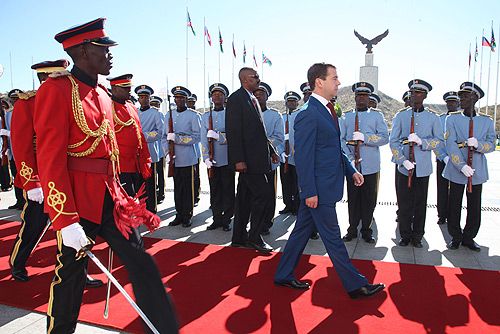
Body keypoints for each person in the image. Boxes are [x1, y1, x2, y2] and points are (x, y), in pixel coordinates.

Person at [33, 18, 178, 333]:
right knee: (71, 274)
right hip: (77, 200)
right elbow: (50, 158)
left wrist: (123, 194)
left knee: (141, 261)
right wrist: (64, 218)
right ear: (84, 50)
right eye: (104, 48)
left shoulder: (102, 92)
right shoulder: (56, 90)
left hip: (111, 198)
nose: (111, 54)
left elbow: (109, 149)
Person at [274, 63, 385, 298]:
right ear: (319, 82)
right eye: (334, 78)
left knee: (300, 232)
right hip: (319, 190)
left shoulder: (328, 109)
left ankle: (283, 274)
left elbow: (334, 148)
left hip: (325, 185)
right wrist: (310, 191)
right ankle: (356, 285)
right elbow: (303, 157)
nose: (339, 82)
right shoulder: (307, 113)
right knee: (333, 239)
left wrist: (351, 170)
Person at [226, 67, 279, 254]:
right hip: (248, 161)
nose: (258, 78)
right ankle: (255, 238)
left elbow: (260, 131)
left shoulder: (252, 99)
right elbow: (233, 132)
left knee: (244, 199)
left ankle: (239, 238)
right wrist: (238, 160)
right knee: (263, 196)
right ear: (244, 80)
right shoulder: (236, 99)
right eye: (254, 76)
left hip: (257, 159)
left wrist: (271, 150)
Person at [389, 79, 444, 248]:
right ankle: (405, 234)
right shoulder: (401, 115)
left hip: (422, 168)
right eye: (412, 92)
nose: (415, 95)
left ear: (425, 95)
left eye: (419, 92)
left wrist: (422, 142)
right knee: (404, 202)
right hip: (404, 167)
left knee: (420, 203)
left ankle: (418, 235)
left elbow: (439, 141)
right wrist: (402, 160)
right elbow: (394, 141)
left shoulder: (432, 117)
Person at [443, 82, 495, 251]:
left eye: (465, 96)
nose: (461, 99)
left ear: (475, 98)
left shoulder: (486, 121)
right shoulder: (452, 119)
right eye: (461, 95)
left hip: (477, 169)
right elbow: (450, 144)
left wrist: (478, 145)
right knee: (454, 204)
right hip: (458, 169)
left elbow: (491, 145)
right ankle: (455, 236)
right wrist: (461, 165)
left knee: (474, 206)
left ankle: (469, 237)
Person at [108, 73, 153, 248]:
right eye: (125, 89)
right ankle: (131, 241)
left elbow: (139, 134)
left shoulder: (131, 106)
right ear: (114, 89)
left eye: (129, 88)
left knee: (134, 201)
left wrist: (145, 158)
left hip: (134, 164)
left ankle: (132, 238)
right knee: (125, 206)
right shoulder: (108, 107)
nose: (129, 92)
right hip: (120, 166)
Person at [341, 82, 389, 243]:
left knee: (369, 199)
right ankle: (352, 228)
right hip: (352, 165)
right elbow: (341, 139)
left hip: (370, 165)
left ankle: (366, 229)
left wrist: (366, 138)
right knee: (353, 199)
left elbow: (384, 137)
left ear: (369, 98)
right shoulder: (346, 116)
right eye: (358, 96)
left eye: (364, 96)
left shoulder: (377, 116)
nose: (361, 98)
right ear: (354, 97)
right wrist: (348, 156)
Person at [166, 86, 201, 227]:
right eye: (176, 98)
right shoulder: (168, 115)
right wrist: (167, 152)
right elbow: (164, 137)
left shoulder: (193, 116)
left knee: (187, 188)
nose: (178, 100)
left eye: (181, 98)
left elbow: (197, 137)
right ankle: (179, 213)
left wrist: (178, 139)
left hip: (187, 158)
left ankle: (187, 215)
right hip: (174, 158)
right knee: (177, 187)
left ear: (186, 99)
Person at [201, 83, 234, 231]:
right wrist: (206, 157)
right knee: (214, 190)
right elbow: (203, 139)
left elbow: (234, 136)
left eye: (220, 94)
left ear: (225, 97)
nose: (217, 97)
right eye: (214, 95)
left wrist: (219, 136)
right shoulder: (205, 116)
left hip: (227, 159)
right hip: (212, 161)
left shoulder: (231, 114)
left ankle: (227, 219)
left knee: (227, 190)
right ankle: (216, 218)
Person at [254, 82, 284, 235]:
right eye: (256, 94)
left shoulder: (275, 115)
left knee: (268, 194)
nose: (258, 96)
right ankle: (254, 222)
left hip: (268, 160)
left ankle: (266, 222)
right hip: (252, 162)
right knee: (254, 194)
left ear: (267, 97)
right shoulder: (248, 113)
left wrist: (261, 144)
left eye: (261, 94)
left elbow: (278, 137)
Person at [135, 84, 164, 213]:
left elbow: (160, 132)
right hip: (137, 153)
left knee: (150, 183)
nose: (143, 99)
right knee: (139, 184)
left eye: (146, 97)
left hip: (150, 152)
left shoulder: (155, 113)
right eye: (141, 97)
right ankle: (141, 208)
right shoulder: (134, 111)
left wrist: (143, 136)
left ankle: (151, 209)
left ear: (149, 98)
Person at [435, 91, 459, 225]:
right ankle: (441, 214)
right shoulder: (440, 118)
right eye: (449, 102)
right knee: (442, 187)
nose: (451, 104)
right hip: (442, 159)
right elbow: (437, 141)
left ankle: (453, 215)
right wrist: (442, 157)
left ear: (458, 103)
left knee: (455, 189)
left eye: (453, 102)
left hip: (457, 160)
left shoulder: (460, 118)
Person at [279, 91, 301, 216]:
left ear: (297, 102)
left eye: (293, 101)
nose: (291, 103)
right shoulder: (282, 117)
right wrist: (281, 152)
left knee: (296, 183)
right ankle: (288, 204)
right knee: (285, 182)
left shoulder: (300, 115)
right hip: (284, 156)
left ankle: (297, 206)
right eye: (289, 101)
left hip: (296, 155)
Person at [3, 88, 26, 210]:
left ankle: (26, 201)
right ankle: (19, 201)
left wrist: (8, 133)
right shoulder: (8, 112)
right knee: (16, 177)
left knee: (25, 178)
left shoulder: (22, 111)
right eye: (12, 99)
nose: (14, 101)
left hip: (23, 152)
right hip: (12, 152)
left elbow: (22, 132)